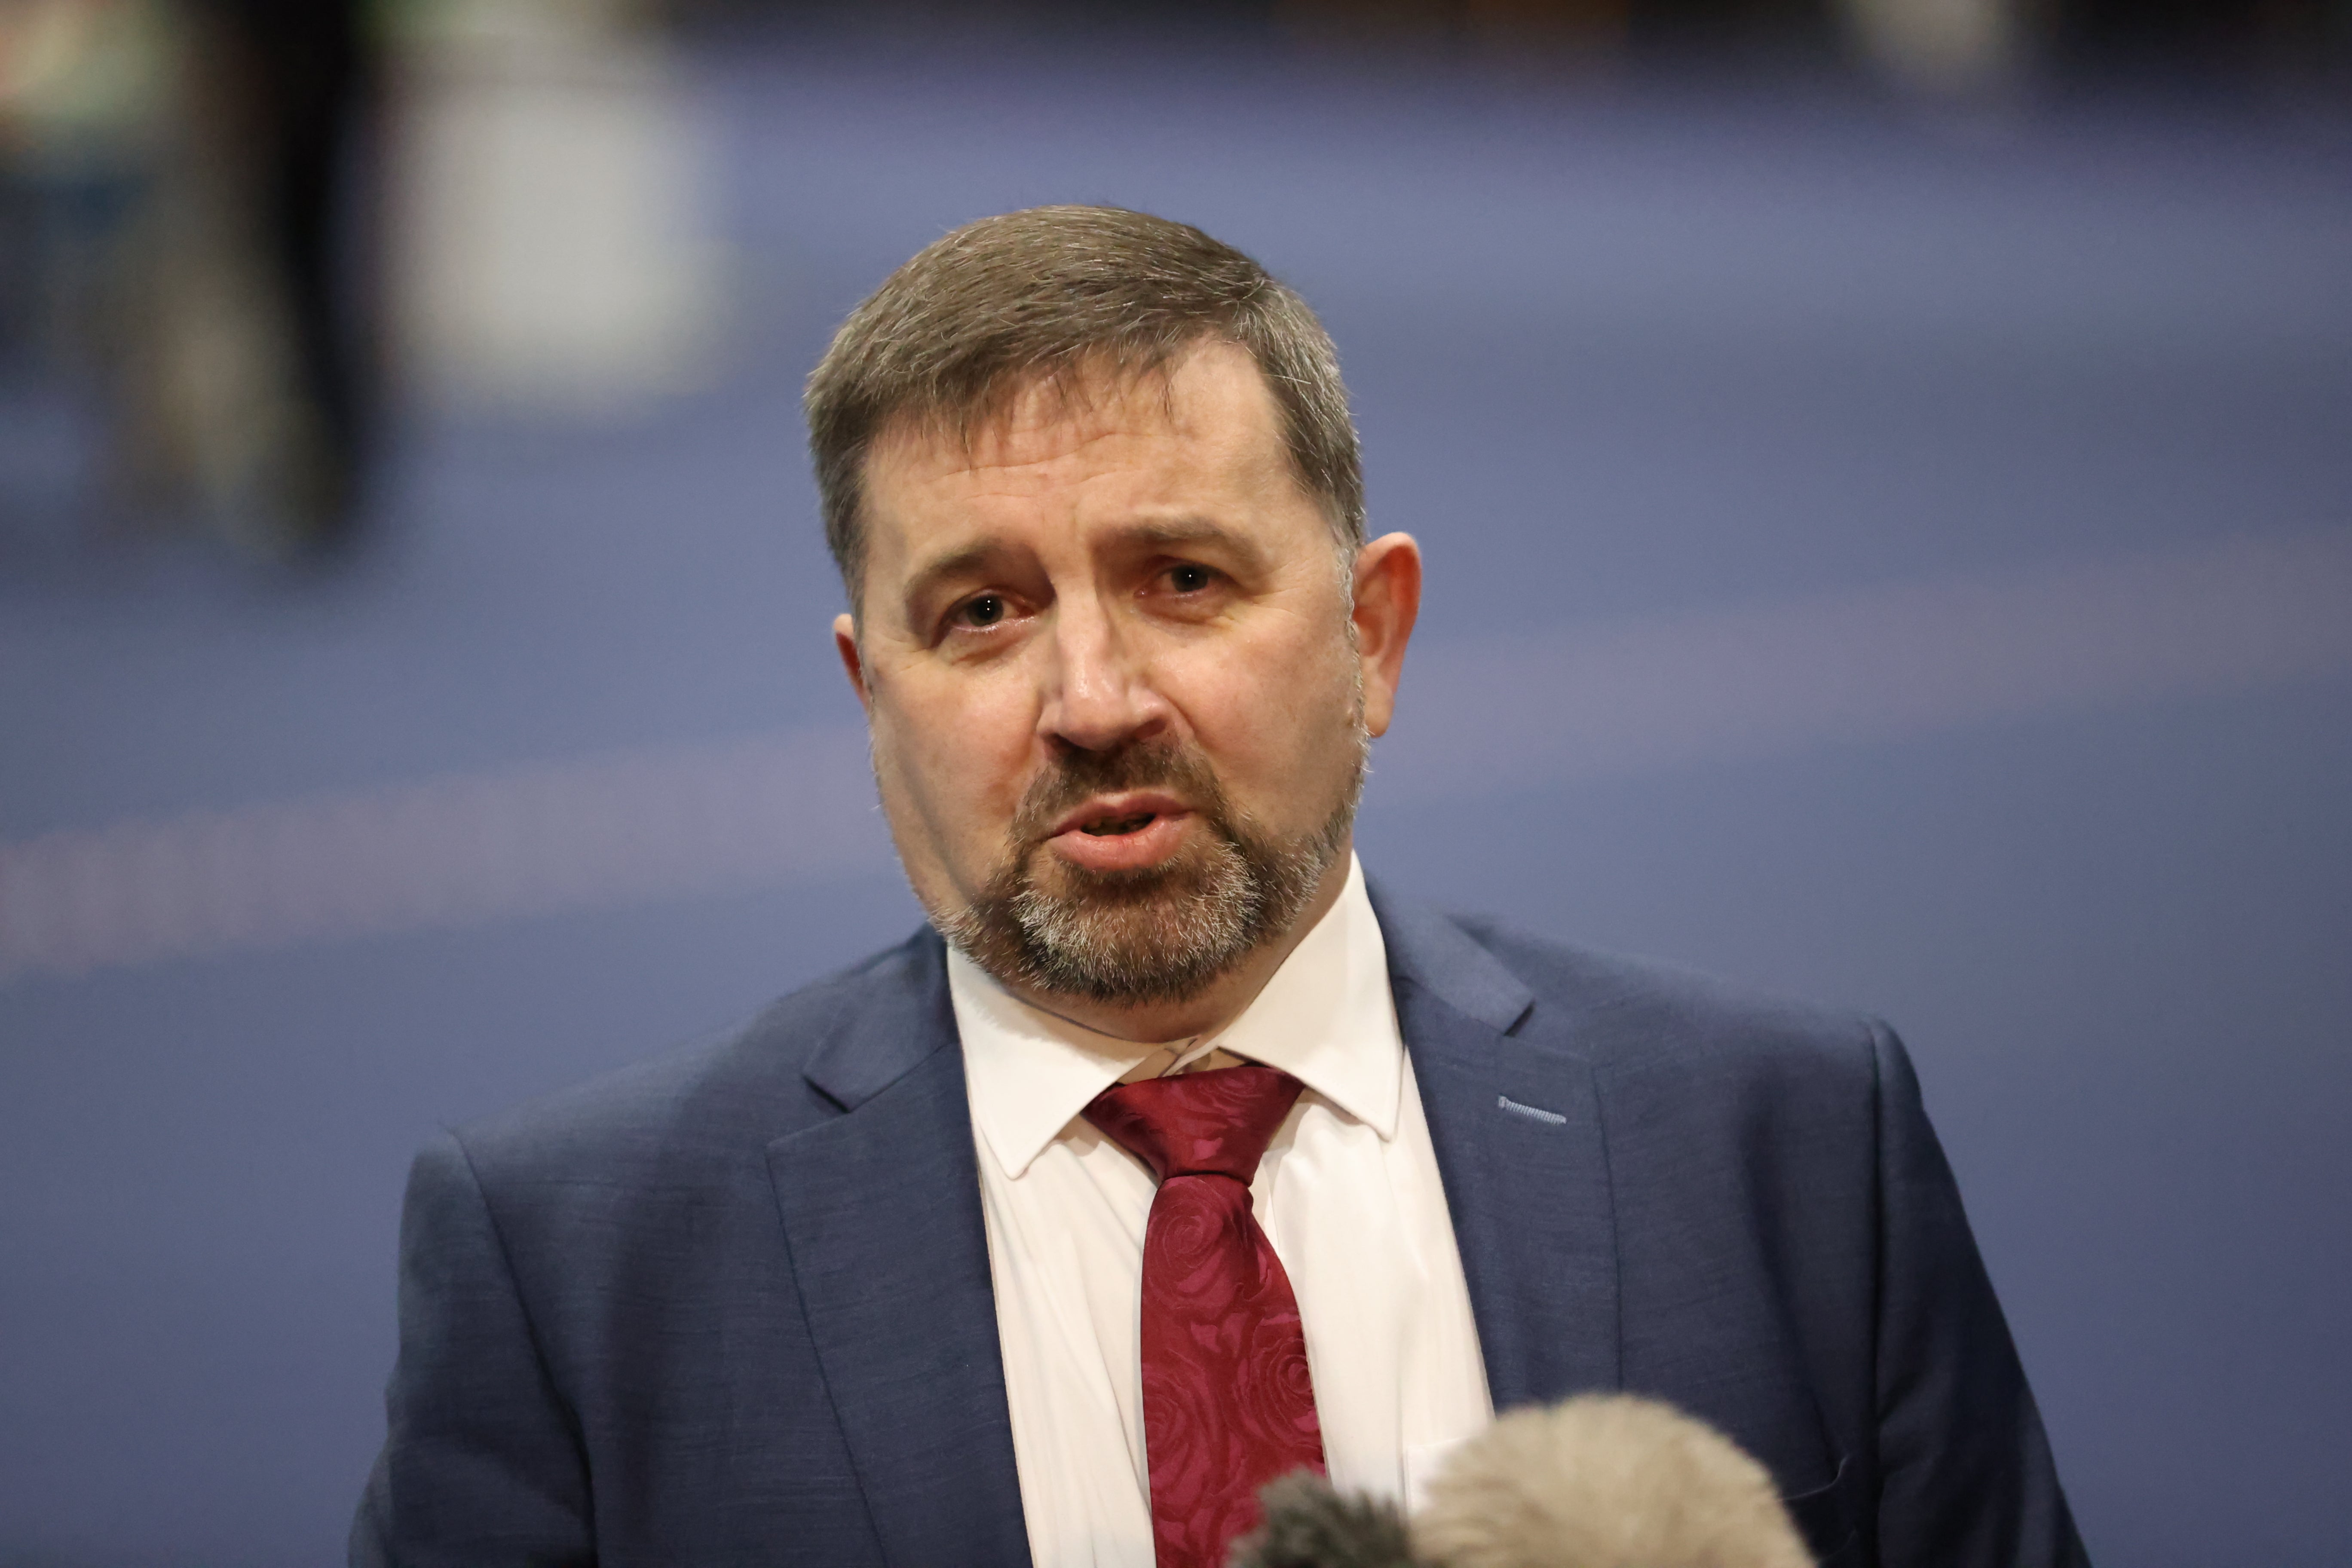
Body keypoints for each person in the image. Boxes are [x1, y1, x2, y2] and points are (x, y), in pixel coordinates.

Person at [352, 206, 2086, 1568]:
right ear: (870, 695)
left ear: (1371, 635)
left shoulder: (1785, 1152)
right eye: (981, 612)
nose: (1093, 700)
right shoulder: (580, 1268)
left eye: (1182, 579)